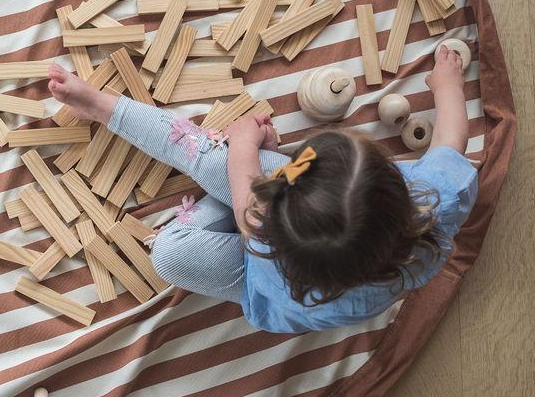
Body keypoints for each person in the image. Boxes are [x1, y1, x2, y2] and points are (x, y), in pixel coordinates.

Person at [48, 46, 477, 333]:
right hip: (305, 248)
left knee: (175, 243)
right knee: (227, 179)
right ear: (398, 191)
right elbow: (450, 144)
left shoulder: (265, 236)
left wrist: (245, 144)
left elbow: (243, 170)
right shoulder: (433, 207)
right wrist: (448, 85)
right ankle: (231, 185)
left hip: (262, 276)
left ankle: (104, 108)